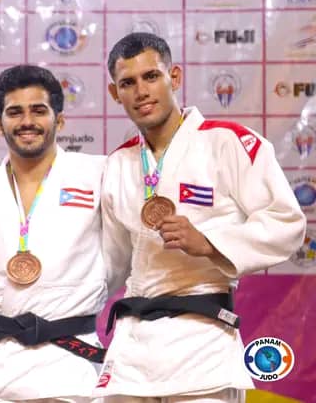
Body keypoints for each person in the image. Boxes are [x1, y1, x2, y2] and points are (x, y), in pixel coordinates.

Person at [96, 32, 306, 402]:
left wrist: (209, 243)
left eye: (151, 77)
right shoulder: (118, 164)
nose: (141, 91)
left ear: (174, 77)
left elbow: (286, 222)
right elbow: (110, 265)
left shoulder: (228, 142)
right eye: (128, 83)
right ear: (115, 93)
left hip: (202, 342)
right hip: (133, 350)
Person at [0, 64, 108, 403]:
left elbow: (120, 255)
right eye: (15, 112)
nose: (27, 121)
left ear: (59, 120)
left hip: (72, 366)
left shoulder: (99, 176)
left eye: (38, 111)